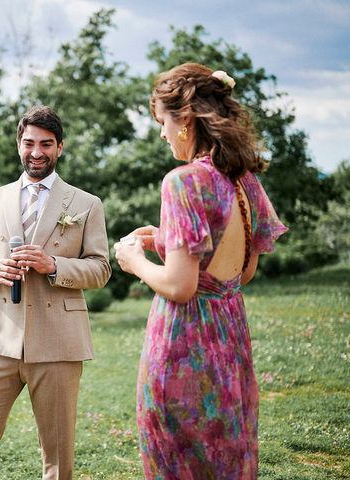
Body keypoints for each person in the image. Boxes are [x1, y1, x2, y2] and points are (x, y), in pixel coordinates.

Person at [114, 63, 288, 479]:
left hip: (183, 347)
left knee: (179, 460)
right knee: (222, 455)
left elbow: (180, 284)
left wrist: (135, 261)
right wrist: (168, 239)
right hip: (229, 341)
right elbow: (241, 272)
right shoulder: (243, 179)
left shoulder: (183, 182)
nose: (161, 133)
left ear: (186, 120)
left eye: (163, 121)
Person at [0, 105, 112, 479]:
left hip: (59, 342)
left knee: (58, 458)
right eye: (29, 143)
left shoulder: (87, 204)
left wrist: (54, 265)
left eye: (46, 144)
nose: (36, 152)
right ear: (18, 144)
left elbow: (101, 268)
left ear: (60, 147)